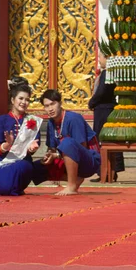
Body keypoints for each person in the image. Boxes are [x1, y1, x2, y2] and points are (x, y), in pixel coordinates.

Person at [32, 89, 101, 196]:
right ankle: (75, 178)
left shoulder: (73, 118)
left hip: (89, 161)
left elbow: (80, 146)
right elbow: (52, 148)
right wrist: (50, 156)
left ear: (60, 103)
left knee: (67, 142)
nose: (50, 109)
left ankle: (71, 186)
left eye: (53, 104)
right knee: (33, 168)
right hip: (66, 159)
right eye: (46, 106)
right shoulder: (50, 122)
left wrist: (57, 155)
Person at [0, 77, 42, 196]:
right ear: (13, 99)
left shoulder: (33, 121)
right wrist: (7, 145)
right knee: (3, 190)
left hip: (23, 161)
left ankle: (16, 187)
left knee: (20, 167)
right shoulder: (1, 120)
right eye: (21, 98)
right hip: (4, 160)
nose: (24, 102)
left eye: (27, 100)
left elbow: (34, 144)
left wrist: (32, 148)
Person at [88, 53, 124, 182]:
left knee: (103, 140)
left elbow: (101, 92)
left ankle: (106, 171)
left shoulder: (107, 73)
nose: (99, 61)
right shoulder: (111, 73)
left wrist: (91, 102)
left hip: (104, 110)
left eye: (100, 58)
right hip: (106, 109)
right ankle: (108, 171)